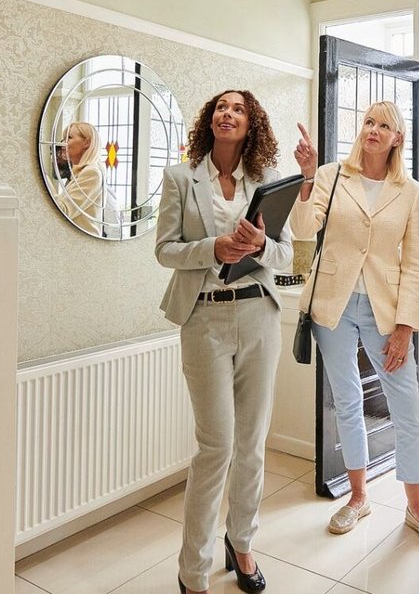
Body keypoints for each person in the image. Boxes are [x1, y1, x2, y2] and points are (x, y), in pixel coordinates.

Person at [289, 102, 419, 552]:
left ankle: (417, 509)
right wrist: (306, 176)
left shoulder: (411, 192)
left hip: (387, 310)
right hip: (333, 306)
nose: (372, 130)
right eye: (368, 122)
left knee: (408, 409)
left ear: (398, 137)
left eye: (383, 125)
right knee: (347, 401)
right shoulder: (333, 175)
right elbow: (302, 231)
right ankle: (358, 498)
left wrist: (405, 326)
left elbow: (414, 263)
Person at [155, 91, 293, 594]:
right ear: (209, 121)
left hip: (259, 315)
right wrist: (213, 247)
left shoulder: (268, 182)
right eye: (220, 108)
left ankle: (242, 544)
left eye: (238, 109)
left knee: (252, 445)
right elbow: (165, 250)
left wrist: (261, 244)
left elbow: (286, 256)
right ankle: (193, 570)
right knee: (216, 446)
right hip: (204, 318)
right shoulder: (180, 178)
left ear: (251, 124)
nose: (227, 114)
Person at [60, 120, 104, 234]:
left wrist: (40, 179)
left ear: (86, 143)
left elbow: (63, 211)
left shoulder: (91, 173)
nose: (63, 143)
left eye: (69, 138)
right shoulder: (78, 173)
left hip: (82, 243)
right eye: (63, 139)